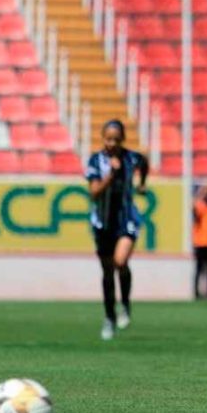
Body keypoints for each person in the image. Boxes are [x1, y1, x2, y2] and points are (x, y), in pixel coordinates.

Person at [85, 119, 149, 341]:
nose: (111, 143)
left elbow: (144, 161)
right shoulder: (96, 160)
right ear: (103, 138)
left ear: (122, 140)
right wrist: (110, 176)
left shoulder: (131, 157)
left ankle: (126, 305)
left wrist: (141, 183)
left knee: (120, 262)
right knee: (107, 272)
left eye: (116, 139)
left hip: (126, 219)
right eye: (108, 138)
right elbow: (94, 192)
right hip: (102, 223)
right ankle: (109, 317)